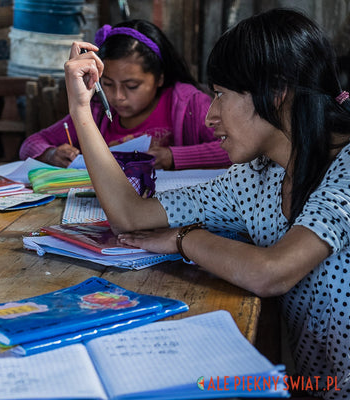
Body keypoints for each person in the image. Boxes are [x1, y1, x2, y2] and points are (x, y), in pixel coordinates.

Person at [64, 8, 350, 399]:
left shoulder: (346, 167)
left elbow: (271, 271)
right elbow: (131, 216)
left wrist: (184, 239)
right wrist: (81, 110)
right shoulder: (256, 175)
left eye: (221, 95)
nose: (211, 115)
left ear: (277, 91)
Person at [19, 19, 231, 170]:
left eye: (132, 85)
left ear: (159, 78)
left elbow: (236, 147)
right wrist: (51, 155)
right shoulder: (96, 111)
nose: (118, 96)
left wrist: (172, 157)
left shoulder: (189, 105)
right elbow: (31, 144)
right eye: (108, 84)